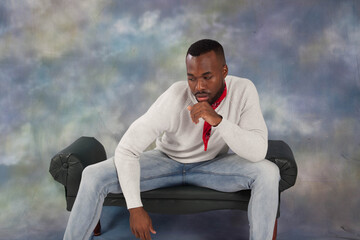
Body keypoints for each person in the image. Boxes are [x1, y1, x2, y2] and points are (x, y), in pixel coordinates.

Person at [63, 39, 280, 240]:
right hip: (165, 162)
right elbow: (127, 149)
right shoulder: (174, 98)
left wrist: (218, 121)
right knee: (92, 175)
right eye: (192, 78)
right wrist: (135, 208)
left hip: (213, 165)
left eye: (207, 77)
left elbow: (258, 151)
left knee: (268, 172)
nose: (198, 87)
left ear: (224, 71)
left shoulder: (243, 90)